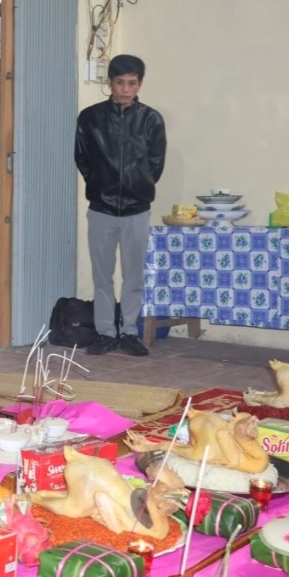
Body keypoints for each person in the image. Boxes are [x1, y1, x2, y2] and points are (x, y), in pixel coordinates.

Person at [75, 53, 167, 356]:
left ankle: (128, 332)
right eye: (119, 83)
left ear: (139, 84)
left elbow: (156, 164)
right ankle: (104, 332)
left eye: (132, 83)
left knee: (133, 276)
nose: (125, 89)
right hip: (100, 209)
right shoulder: (90, 118)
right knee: (102, 275)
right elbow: (83, 159)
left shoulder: (151, 119)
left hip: (137, 210)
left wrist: (138, 188)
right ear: (109, 83)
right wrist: (101, 185)